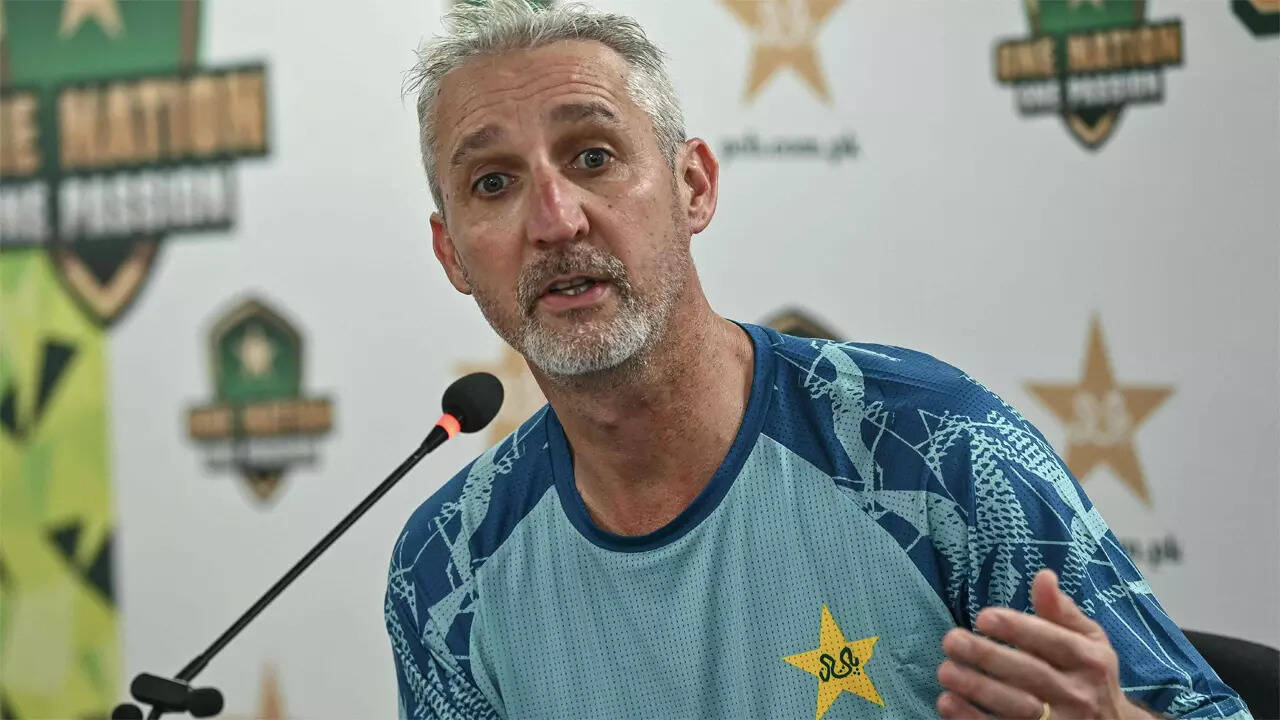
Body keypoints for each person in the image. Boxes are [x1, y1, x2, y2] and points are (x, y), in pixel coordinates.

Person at [384, 2, 1250, 718]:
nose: (555, 219)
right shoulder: (447, 568)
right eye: (492, 183)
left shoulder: (935, 448)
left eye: (594, 158)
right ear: (452, 253)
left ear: (694, 187)